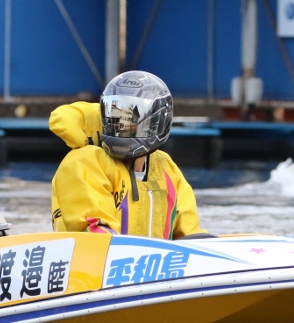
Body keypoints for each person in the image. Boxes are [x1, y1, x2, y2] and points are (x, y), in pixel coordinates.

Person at [49, 70, 207, 239]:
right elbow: (95, 233)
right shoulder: (85, 161)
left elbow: (189, 234)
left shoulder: (166, 167)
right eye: (116, 116)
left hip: (154, 262)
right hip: (95, 260)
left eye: (133, 118)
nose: (122, 125)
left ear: (158, 121)